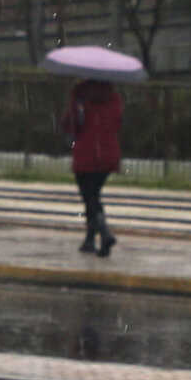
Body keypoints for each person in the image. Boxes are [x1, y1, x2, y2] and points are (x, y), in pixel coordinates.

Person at [60, 77, 122, 256]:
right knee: (93, 196)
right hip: (108, 154)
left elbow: (72, 125)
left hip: (85, 154)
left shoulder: (80, 96)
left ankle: (104, 232)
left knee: (90, 198)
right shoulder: (113, 97)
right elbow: (117, 123)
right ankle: (91, 240)